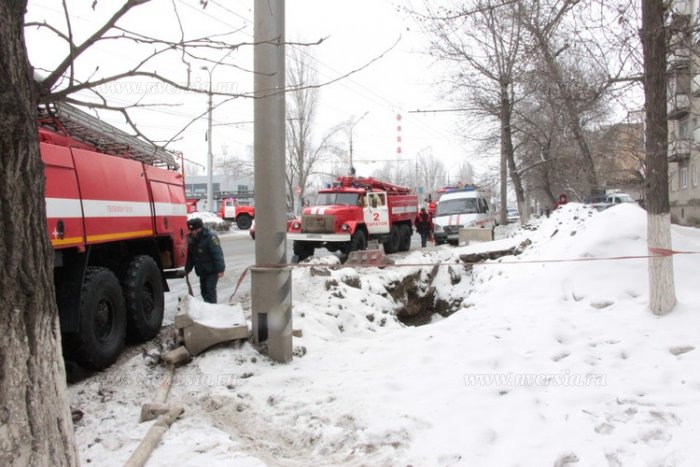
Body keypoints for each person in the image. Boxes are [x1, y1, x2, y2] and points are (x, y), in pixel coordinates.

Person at [184, 217, 226, 304]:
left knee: (210, 291)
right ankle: (208, 308)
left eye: (195, 230)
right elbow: (190, 257)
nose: (193, 232)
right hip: (202, 270)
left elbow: (217, 254)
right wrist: (187, 269)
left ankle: (212, 311)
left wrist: (220, 269)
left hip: (212, 270)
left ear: (200, 228)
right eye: (191, 231)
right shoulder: (192, 240)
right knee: (203, 291)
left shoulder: (210, 237)